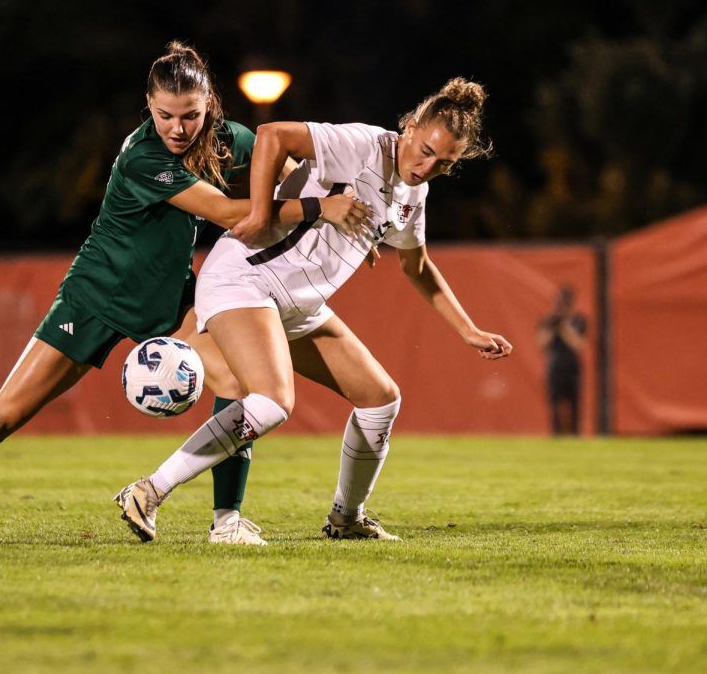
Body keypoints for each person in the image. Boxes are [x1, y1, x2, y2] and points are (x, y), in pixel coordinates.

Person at [0, 42, 370, 546]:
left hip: (172, 299)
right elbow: (234, 215)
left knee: (236, 383)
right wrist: (319, 211)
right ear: (149, 106)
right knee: (2, 416)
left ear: (208, 104)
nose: (177, 128)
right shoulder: (145, 157)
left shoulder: (227, 139)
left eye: (189, 114)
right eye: (165, 115)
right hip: (97, 294)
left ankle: (227, 520)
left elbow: (287, 168)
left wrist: (344, 205)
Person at [115, 77, 513, 544]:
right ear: (409, 127)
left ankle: (346, 518)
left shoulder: (414, 194)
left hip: (297, 303)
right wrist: (262, 213)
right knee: (272, 402)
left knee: (380, 398)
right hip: (245, 278)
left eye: (444, 163)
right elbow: (272, 136)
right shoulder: (364, 144)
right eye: (425, 150)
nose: (427, 166)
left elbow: (417, 266)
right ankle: (148, 491)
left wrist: (468, 331)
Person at [536, 285, 587, 435]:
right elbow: (541, 343)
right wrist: (554, 328)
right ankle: (556, 433)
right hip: (555, 365)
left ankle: (575, 434)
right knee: (554, 402)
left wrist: (564, 327)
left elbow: (579, 344)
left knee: (574, 402)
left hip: (572, 366)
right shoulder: (549, 320)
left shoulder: (578, 320)